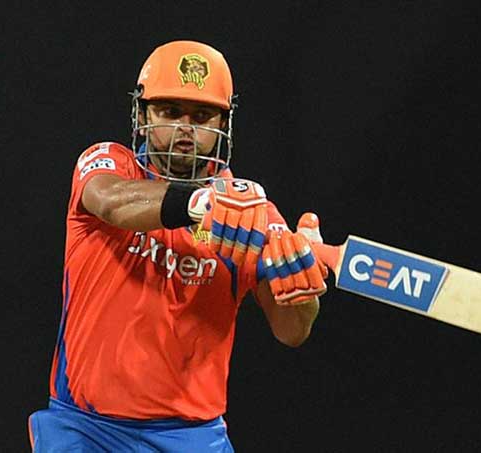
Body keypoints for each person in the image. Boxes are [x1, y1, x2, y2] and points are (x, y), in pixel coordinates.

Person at [27, 40, 329, 452]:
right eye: (170, 112)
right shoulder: (108, 163)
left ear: (223, 123)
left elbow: (292, 331)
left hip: (193, 437)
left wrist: (301, 282)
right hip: (86, 428)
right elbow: (111, 201)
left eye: (202, 116)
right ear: (142, 114)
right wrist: (201, 203)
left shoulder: (252, 214)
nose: (186, 128)